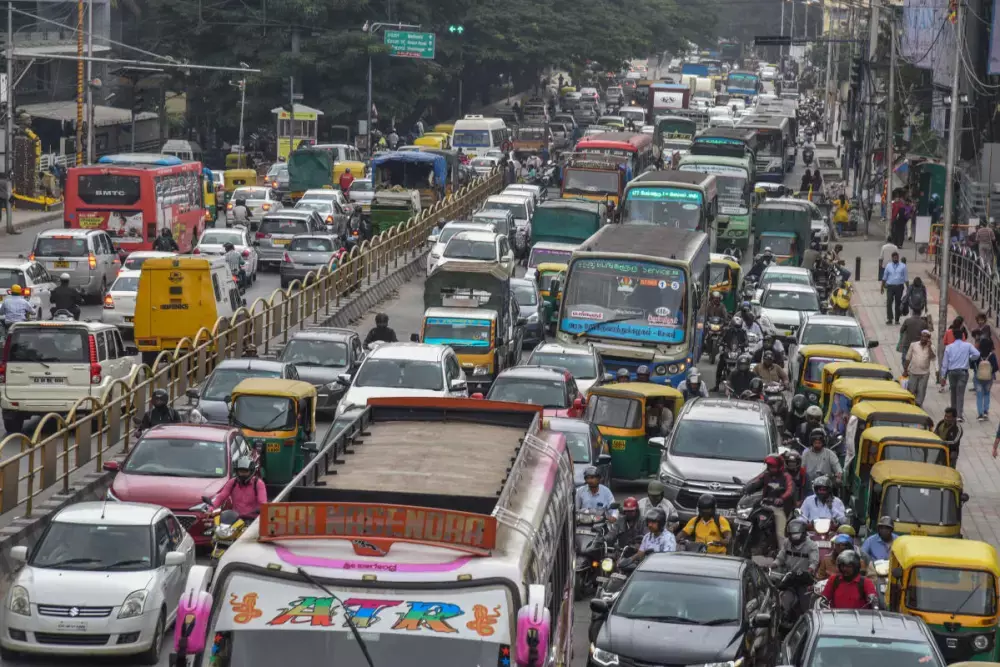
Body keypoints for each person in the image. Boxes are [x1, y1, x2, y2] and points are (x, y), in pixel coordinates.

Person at [774, 519, 820, 618]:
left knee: (806, 608)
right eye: (792, 534)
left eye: (797, 534)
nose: (794, 537)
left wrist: (809, 571)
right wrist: (772, 565)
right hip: (789, 577)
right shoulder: (787, 543)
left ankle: (805, 621)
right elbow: (780, 558)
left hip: (804, 579)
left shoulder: (811, 545)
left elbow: (814, 562)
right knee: (781, 601)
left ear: (803, 533)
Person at [744, 454, 794, 539]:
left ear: (779, 466)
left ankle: (781, 551)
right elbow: (756, 482)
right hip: (764, 505)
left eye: (773, 466)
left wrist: (781, 498)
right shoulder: (766, 475)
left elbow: (790, 490)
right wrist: (746, 489)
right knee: (749, 520)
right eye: (769, 466)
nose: (770, 468)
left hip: (780, 508)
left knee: (780, 534)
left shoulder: (786, 476)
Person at [940, 332, 980, 421]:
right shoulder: (968, 345)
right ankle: (959, 415)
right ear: (963, 336)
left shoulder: (949, 347)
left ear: (954, 337)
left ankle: (953, 414)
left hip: (952, 372)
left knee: (953, 393)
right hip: (963, 372)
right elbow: (977, 354)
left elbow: (945, 363)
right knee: (960, 394)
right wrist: (970, 358)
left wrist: (943, 376)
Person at [904, 329, 936, 407]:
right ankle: (910, 404)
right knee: (911, 389)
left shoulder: (932, 347)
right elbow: (908, 358)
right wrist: (905, 370)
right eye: (922, 336)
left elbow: (933, 358)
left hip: (924, 373)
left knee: (921, 390)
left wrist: (929, 348)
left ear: (928, 338)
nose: (923, 338)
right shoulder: (913, 345)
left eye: (925, 337)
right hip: (913, 371)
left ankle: (918, 405)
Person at [715, 316, 748, 389]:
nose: (737, 328)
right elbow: (721, 338)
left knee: (745, 364)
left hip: (738, 352)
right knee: (720, 364)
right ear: (732, 325)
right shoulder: (727, 331)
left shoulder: (743, 332)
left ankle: (744, 384)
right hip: (728, 351)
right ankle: (717, 385)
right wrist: (721, 345)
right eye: (735, 326)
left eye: (738, 326)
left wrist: (744, 345)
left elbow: (746, 341)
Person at [881, 251, 908, 325]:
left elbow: (906, 278)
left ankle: (897, 319)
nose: (896, 259)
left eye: (897, 257)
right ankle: (890, 318)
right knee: (889, 302)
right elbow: (884, 277)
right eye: (894, 257)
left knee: (898, 303)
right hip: (890, 287)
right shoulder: (888, 266)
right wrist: (882, 287)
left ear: (898, 258)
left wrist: (908, 288)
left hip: (899, 287)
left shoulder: (903, 266)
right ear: (892, 258)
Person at [974, 336, 997, 421]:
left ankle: (980, 414)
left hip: (978, 378)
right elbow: (996, 367)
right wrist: (990, 372)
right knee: (987, 394)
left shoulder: (978, 354)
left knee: (979, 395)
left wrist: (977, 371)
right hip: (988, 379)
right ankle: (986, 412)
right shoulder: (992, 355)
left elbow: (973, 365)